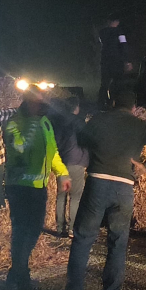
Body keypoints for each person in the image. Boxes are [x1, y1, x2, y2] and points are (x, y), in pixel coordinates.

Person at [65, 90, 146, 290]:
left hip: (97, 181)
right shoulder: (141, 126)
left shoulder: (99, 119)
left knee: (84, 237)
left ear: (113, 102)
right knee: (117, 242)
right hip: (124, 186)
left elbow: (82, 139)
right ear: (133, 108)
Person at [4, 86, 71, 290]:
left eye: (43, 101)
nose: (42, 105)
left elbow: (53, 152)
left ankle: (17, 274)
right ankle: (19, 276)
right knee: (23, 230)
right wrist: (31, 127)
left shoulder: (45, 123)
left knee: (30, 230)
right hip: (20, 186)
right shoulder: (15, 123)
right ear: (28, 101)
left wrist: (62, 173)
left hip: (38, 187)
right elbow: (18, 149)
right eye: (38, 101)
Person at [48, 96, 89, 237]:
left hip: (62, 162)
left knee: (61, 196)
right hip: (77, 162)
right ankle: (72, 228)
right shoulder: (80, 122)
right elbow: (87, 140)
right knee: (75, 197)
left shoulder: (57, 122)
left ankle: (60, 228)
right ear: (76, 107)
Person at [98, 15, 132, 110]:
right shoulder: (119, 32)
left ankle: (101, 104)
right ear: (116, 22)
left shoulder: (102, 32)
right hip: (117, 62)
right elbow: (124, 45)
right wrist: (127, 61)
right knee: (117, 83)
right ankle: (116, 103)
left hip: (105, 61)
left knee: (104, 83)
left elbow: (102, 43)